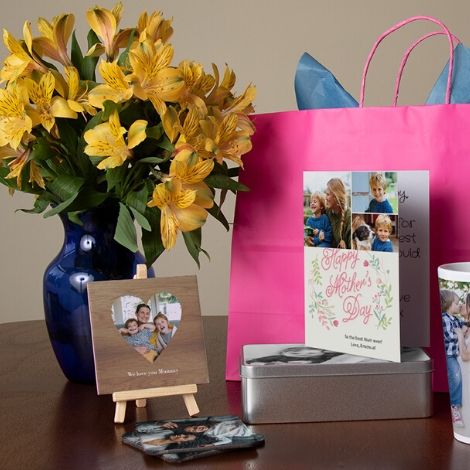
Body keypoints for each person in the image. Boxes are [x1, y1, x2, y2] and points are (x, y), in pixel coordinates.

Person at [441, 289, 467, 428]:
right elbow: (450, 336)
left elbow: (463, 327)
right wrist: (460, 333)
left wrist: (463, 329)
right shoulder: (444, 318)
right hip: (450, 355)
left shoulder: (456, 319)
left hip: (456, 354)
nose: (459, 305)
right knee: (456, 376)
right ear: (448, 305)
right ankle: (454, 407)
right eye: (456, 303)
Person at [323, 178, 351, 249]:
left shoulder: (349, 216)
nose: (325, 198)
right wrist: (308, 237)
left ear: (336, 196)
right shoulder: (327, 212)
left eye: (328, 194)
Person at [246, 346, 343, 365]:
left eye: (311, 352)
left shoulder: (325, 357)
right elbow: (267, 359)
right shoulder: (281, 359)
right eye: (295, 353)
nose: (303, 354)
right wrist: (252, 361)